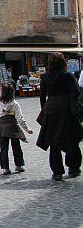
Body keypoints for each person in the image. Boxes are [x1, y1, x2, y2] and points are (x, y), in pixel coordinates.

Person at [36, 52, 82, 180]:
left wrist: (44, 110)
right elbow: (75, 93)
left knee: (53, 142)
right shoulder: (68, 76)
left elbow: (42, 96)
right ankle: (73, 167)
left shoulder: (45, 77)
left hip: (51, 109)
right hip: (66, 108)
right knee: (72, 138)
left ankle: (57, 172)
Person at [0, 84, 33, 175]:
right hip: (13, 127)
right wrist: (27, 129)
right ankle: (19, 165)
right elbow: (20, 118)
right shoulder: (15, 104)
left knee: (4, 148)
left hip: (2, 127)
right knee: (16, 146)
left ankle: (5, 168)